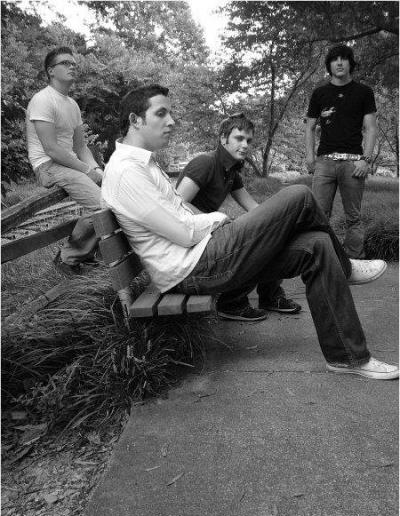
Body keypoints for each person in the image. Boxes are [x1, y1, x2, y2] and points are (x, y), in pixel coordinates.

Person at [101, 83, 398, 380]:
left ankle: (347, 358)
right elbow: (182, 232)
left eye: (170, 113)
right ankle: (346, 269)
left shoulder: (143, 165)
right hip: (193, 267)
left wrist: (240, 224)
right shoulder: (128, 171)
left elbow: (182, 216)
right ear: (135, 120)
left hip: (202, 255)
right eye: (161, 113)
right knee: (299, 195)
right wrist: (219, 219)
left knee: (316, 245)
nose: (171, 121)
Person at [176, 113, 301, 321]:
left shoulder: (231, 172)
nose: (245, 145)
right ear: (223, 138)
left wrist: (277, 220)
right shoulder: (205, 163)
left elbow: (255, 209)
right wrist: (214, 221)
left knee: (274, 231)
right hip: (193, 243)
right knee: (257, 244)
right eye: (239, 138)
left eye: (248, 141)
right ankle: (232, 303)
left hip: (208, 235)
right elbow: (178, 204)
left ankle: (270, 296)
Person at [26, 46, 103, 274]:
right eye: (65, 63)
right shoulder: (42, 100)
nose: (72, 67)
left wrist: (97, 169)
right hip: (48, 164)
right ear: (51, 71)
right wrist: (85, 170)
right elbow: (51, 148)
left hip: (67, 162)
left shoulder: (72, 105)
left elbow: (80, 147)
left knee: (115, 194)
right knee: (102, 205)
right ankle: (68, 258)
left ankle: (88, 255)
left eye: (74, 64)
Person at [305, 44, 377, 259]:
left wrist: (366, 160)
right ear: (329, 65)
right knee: (318, 215)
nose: (339, 62)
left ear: (350, 63)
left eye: (343, 58)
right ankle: (321, 259)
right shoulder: (319, 93)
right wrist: (310, 157)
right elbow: (309, 127)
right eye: (334, 59)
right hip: (324, 163)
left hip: (353, 164)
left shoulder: (364, 92)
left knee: (353, 217)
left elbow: (371, 128)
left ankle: (354, 259)